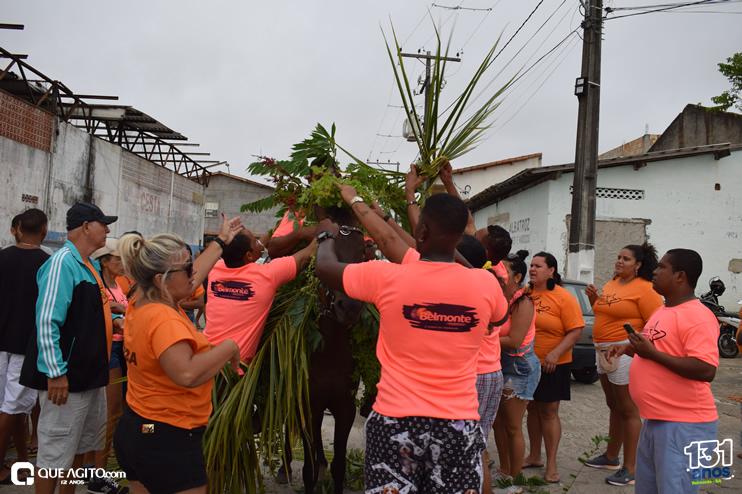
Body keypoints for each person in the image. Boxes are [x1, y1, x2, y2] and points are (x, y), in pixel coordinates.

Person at [315, 193, 508, 493]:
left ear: (421, 231)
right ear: (459, 237)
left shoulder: (386, 277)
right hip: (457, 425)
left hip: (396, 422)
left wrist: (326, 235)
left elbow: (325, 267)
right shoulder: (486, 285)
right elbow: (499, 316)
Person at [113, 214, 242, 494]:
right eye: (187, 269)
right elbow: (186, 373)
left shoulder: (141, 299)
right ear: (161, 280)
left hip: (138, 428)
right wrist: (229, 347)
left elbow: (192, 274)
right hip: (166, 437)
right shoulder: (165, 320)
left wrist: (220, 242)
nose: (194, 273)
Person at [20, 202, 121, 494]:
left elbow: (88, 311)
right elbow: (47, 320)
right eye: (103, 224)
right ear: (86, 227)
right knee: (54, 455)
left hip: (89, 376)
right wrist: (55, 373)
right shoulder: (62, 263)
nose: (107, 230)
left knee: (78, 448)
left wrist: (115, 321)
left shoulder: (88, 265)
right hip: (67, 379)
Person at [606, 249, 719, 494]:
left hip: (685, 425)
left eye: (662, 267)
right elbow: (658, 349)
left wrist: (651, 354)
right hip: (655, 419)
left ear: (680, 276)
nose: (655, 272)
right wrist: (629, 348)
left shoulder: (698, 316)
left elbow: (706, 369)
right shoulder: (662, 310)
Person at [583, 243, 663, 486]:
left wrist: (633, 346)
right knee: (613, 405)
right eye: (618, 257)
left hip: (625, 351)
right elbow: (605, 312)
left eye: (626, 259)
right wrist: (594, 298)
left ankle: (631, 468)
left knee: (628, 409)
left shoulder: (646, 289)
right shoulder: (612, 283)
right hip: (603, 350)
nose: (619, 261)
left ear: (638, 265)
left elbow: (656, 325)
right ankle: (610, 457)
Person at [203, 227, 315, 365]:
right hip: (233, 369)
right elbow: (309, 252)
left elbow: (253, 248)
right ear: (249, 255)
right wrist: (322, 230)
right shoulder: (268, 275)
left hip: (203, 358)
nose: (260, 243)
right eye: (255, 241)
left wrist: (278, 229)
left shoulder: (214, 268)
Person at [522, 252, 584, 484]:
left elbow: (576, 331)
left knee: (548, 412)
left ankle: (552, 463)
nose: (532, 269)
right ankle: (534, 456)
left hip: (553, 364)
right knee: (532, 409)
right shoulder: (525, 294)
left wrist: (555, 353)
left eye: (538, 266)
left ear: (551, 271)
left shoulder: (563, 297)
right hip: (527, 363)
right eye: (531, 265)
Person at [0, 209, 49, 484]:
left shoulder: (2, 256)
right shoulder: (47, 263)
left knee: (14, 407)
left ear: (17, 229)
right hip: (26, 345)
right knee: (12, 407)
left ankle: (21, 461)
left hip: (3, 343)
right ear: (44, 231)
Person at [492, 251, 540, 490]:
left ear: (517, 277)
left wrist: (482, 338)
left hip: (519, 367)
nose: (497, 273)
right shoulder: (502, 298)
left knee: (512, 426)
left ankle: (515, 480)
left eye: (503, 271)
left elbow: (515, 340)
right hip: (500, 364)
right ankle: (505, 471)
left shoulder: (523, 303)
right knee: (497, 423)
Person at [91, 238, 129, 477]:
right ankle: (98, 472)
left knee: (120, 410)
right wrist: (114, 310)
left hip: (124, 348)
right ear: (104, 262)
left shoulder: (118, 286)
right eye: (118, 259)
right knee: (111, 411)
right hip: (109, 349)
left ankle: (98, 465)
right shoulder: (99, 287)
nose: (123, 263)